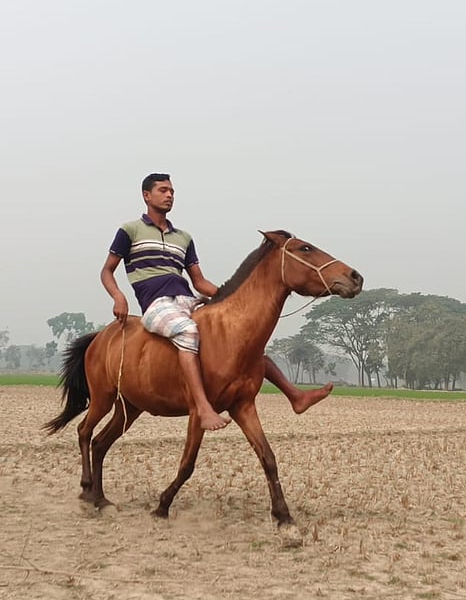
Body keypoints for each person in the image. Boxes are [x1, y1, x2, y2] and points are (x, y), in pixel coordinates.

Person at [101, 173, 333, 431]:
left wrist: (235, 299)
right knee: (188, 332)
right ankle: (203, 408)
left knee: (242, 340)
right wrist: (118, 296)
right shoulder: (130, 231)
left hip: (188, 300)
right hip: (157, 305)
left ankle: (295, 396)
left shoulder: (184, 238)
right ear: (147, 195)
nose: (169, 195)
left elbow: (199, 281)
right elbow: (107, 271)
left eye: (172, 192)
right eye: (163, 190)